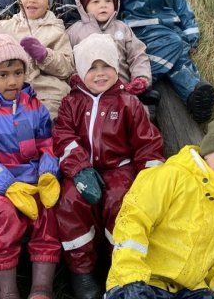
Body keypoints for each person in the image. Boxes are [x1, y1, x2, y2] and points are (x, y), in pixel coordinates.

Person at [52, 33, 165, 299]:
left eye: (107, 66)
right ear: (81, 71)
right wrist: (79, 168)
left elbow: (147, 144)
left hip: (119, 168)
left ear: (116, 68)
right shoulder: (71, 102)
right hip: (82, 170)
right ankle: (82, 271)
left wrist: (151, 179)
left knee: (122, 203)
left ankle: (119, 267)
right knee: (70, 202)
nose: (100, 73)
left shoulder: (128, 102)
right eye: (92, 67)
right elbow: (63, 137)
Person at [106, 113, 214, 299]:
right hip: (142, 281)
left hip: (188, 291)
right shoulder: (170, 177)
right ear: (209, 150)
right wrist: (130, 277)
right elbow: (133, 222)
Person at [0, 24, 61, 299]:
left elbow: (46, 143)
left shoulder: (33, 105)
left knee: (47, 211)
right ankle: (6, 291)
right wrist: (6, 185)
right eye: (2, 75)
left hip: (30, 178)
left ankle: (42, 289)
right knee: (3, 215)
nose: (12, 81)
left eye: (18, 72)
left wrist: (47, 173)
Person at [67, 0, 160, 108]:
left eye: (108, 1)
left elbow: (137, 54)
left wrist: (140, 78)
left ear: (115, 3)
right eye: (96, 1)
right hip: (88, 93)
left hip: (123, 90)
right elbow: (67, 60)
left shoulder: (122, 28)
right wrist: (74, 78)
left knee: (137, 111)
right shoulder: (75, 31)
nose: (103, 5)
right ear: (84, 6)